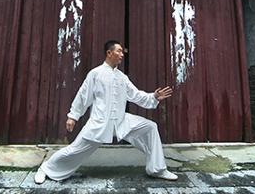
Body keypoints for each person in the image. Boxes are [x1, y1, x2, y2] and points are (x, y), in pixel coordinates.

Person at [35, 40, 176, 184]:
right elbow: (83, 95)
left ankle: (157, 169)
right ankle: (45, 169)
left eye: (122, 51)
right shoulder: (95, 74)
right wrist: (73, 116)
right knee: (75, 150)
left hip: (121, 121)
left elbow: (136, 95)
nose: (122, 54)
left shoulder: (122, 77)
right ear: (109, 53)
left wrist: (154, 97)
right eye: (119, 51)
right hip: (99, 123)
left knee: (150, 127)